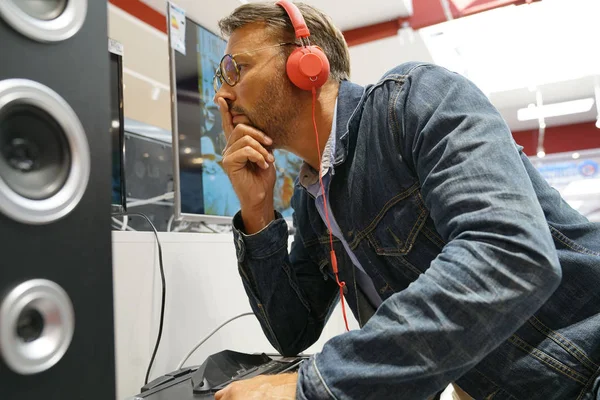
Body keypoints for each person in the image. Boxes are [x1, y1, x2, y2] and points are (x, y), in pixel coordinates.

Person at [211, 2, 600, 399]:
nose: (222, 94)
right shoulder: (313, 200)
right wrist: (257, 213)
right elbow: (292, 332)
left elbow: (509, 253)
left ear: (307, 62)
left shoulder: (415, 99)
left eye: (234, 68)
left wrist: (318, 384)